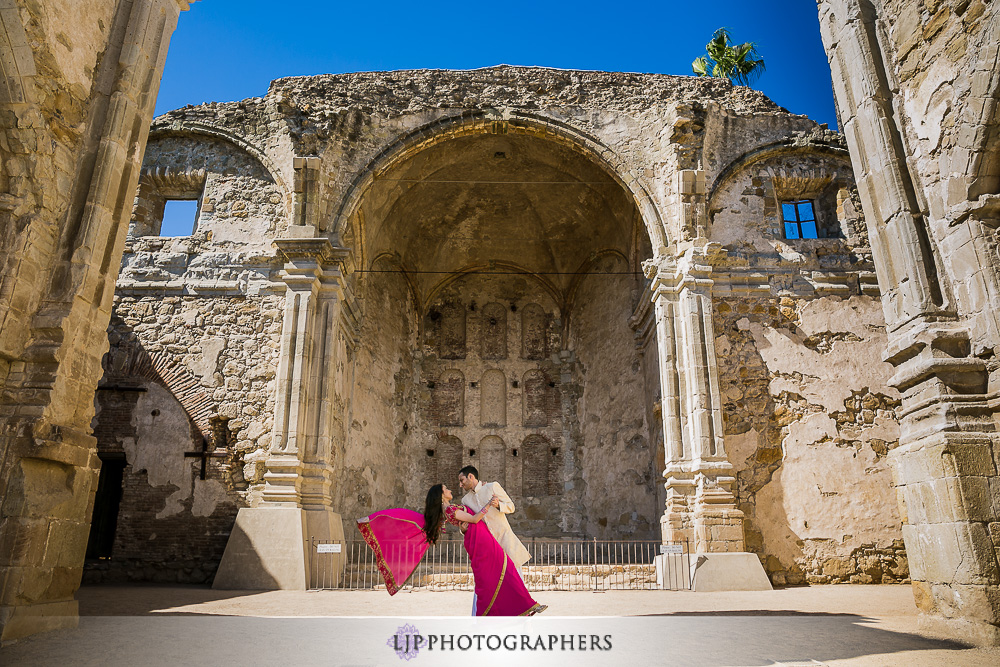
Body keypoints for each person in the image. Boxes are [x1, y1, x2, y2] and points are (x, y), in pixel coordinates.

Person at [357, 484, 546, 617]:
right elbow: (474, 519)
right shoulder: (449, 510)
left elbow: (468, 522)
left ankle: (524, 605)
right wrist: (488, 504)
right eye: (446, 488)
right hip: (479, 540)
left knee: (503, 572)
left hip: (481, 538)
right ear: (441, 495)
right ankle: (504, 610)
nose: (450, 489)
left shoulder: (451, 508)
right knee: (495, 575)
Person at [458, 466, 530, 572]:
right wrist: (463, 530)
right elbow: (469, 521)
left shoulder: (492, 487)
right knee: (493, 582)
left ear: (470, 476)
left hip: (505, 540)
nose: (460, 485)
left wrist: (498, 505)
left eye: (462, 480)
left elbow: (511, 507)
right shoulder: (465, 500)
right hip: (487, 546)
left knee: (516, 578)